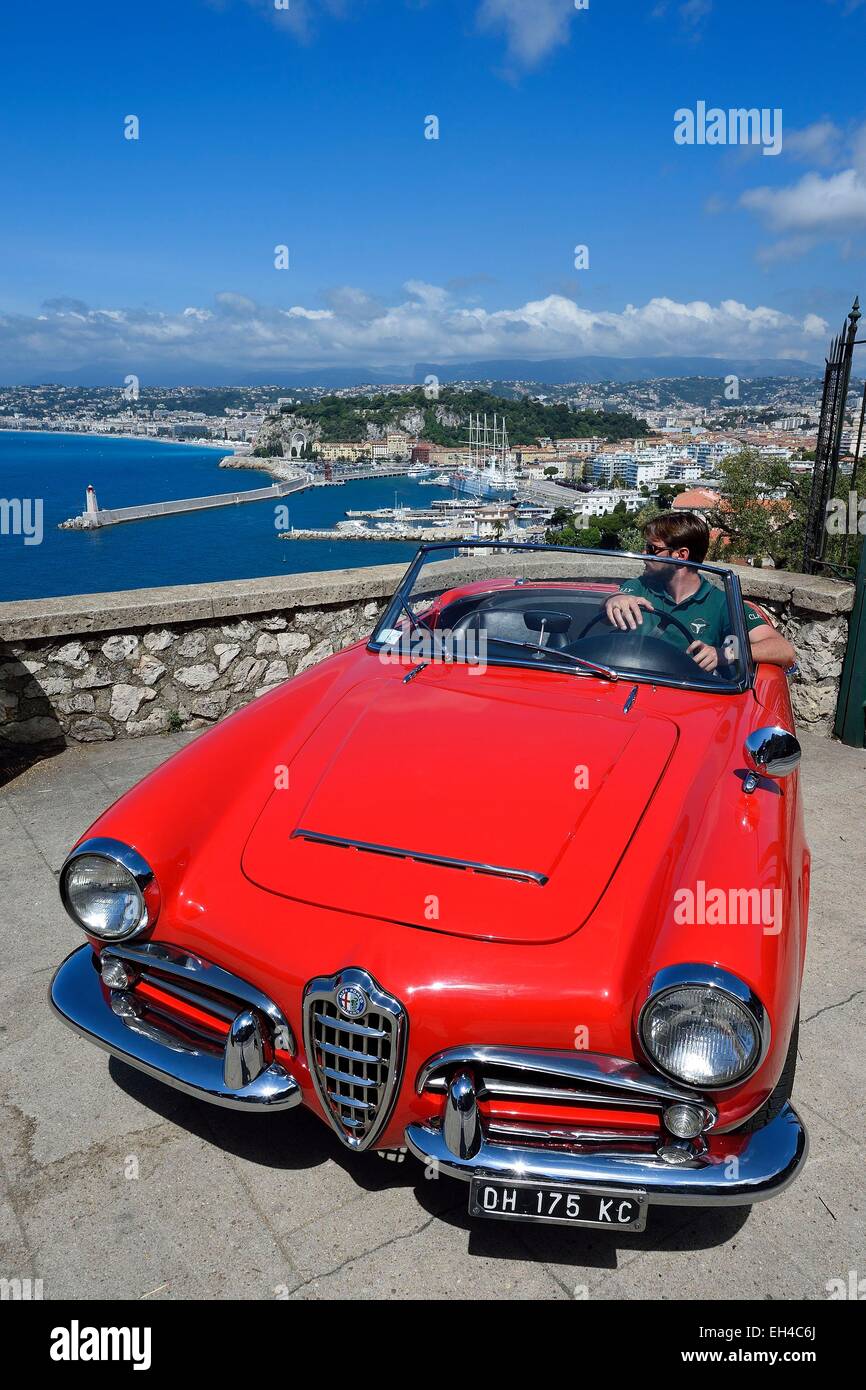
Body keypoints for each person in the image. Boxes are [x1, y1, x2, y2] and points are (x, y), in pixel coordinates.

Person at [604, 512, 796, 673]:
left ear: (681, 555)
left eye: (651, 549)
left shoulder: (720, 603)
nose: (643, 554)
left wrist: (725, 653)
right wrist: (615, 600)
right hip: (633, 683)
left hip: (687, 697)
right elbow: (616, 599)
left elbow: (783, 649)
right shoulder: (642, 586)